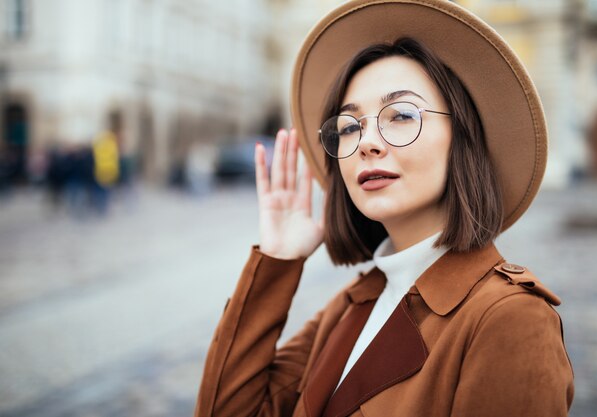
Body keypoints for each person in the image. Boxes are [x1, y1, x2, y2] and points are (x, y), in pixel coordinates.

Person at [193, 1, 575, 416]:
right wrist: (279, 260)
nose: (368, 142)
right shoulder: (354, 303)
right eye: (349, 126)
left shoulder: (509, 319)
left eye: (401, 115)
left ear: (463, 137)